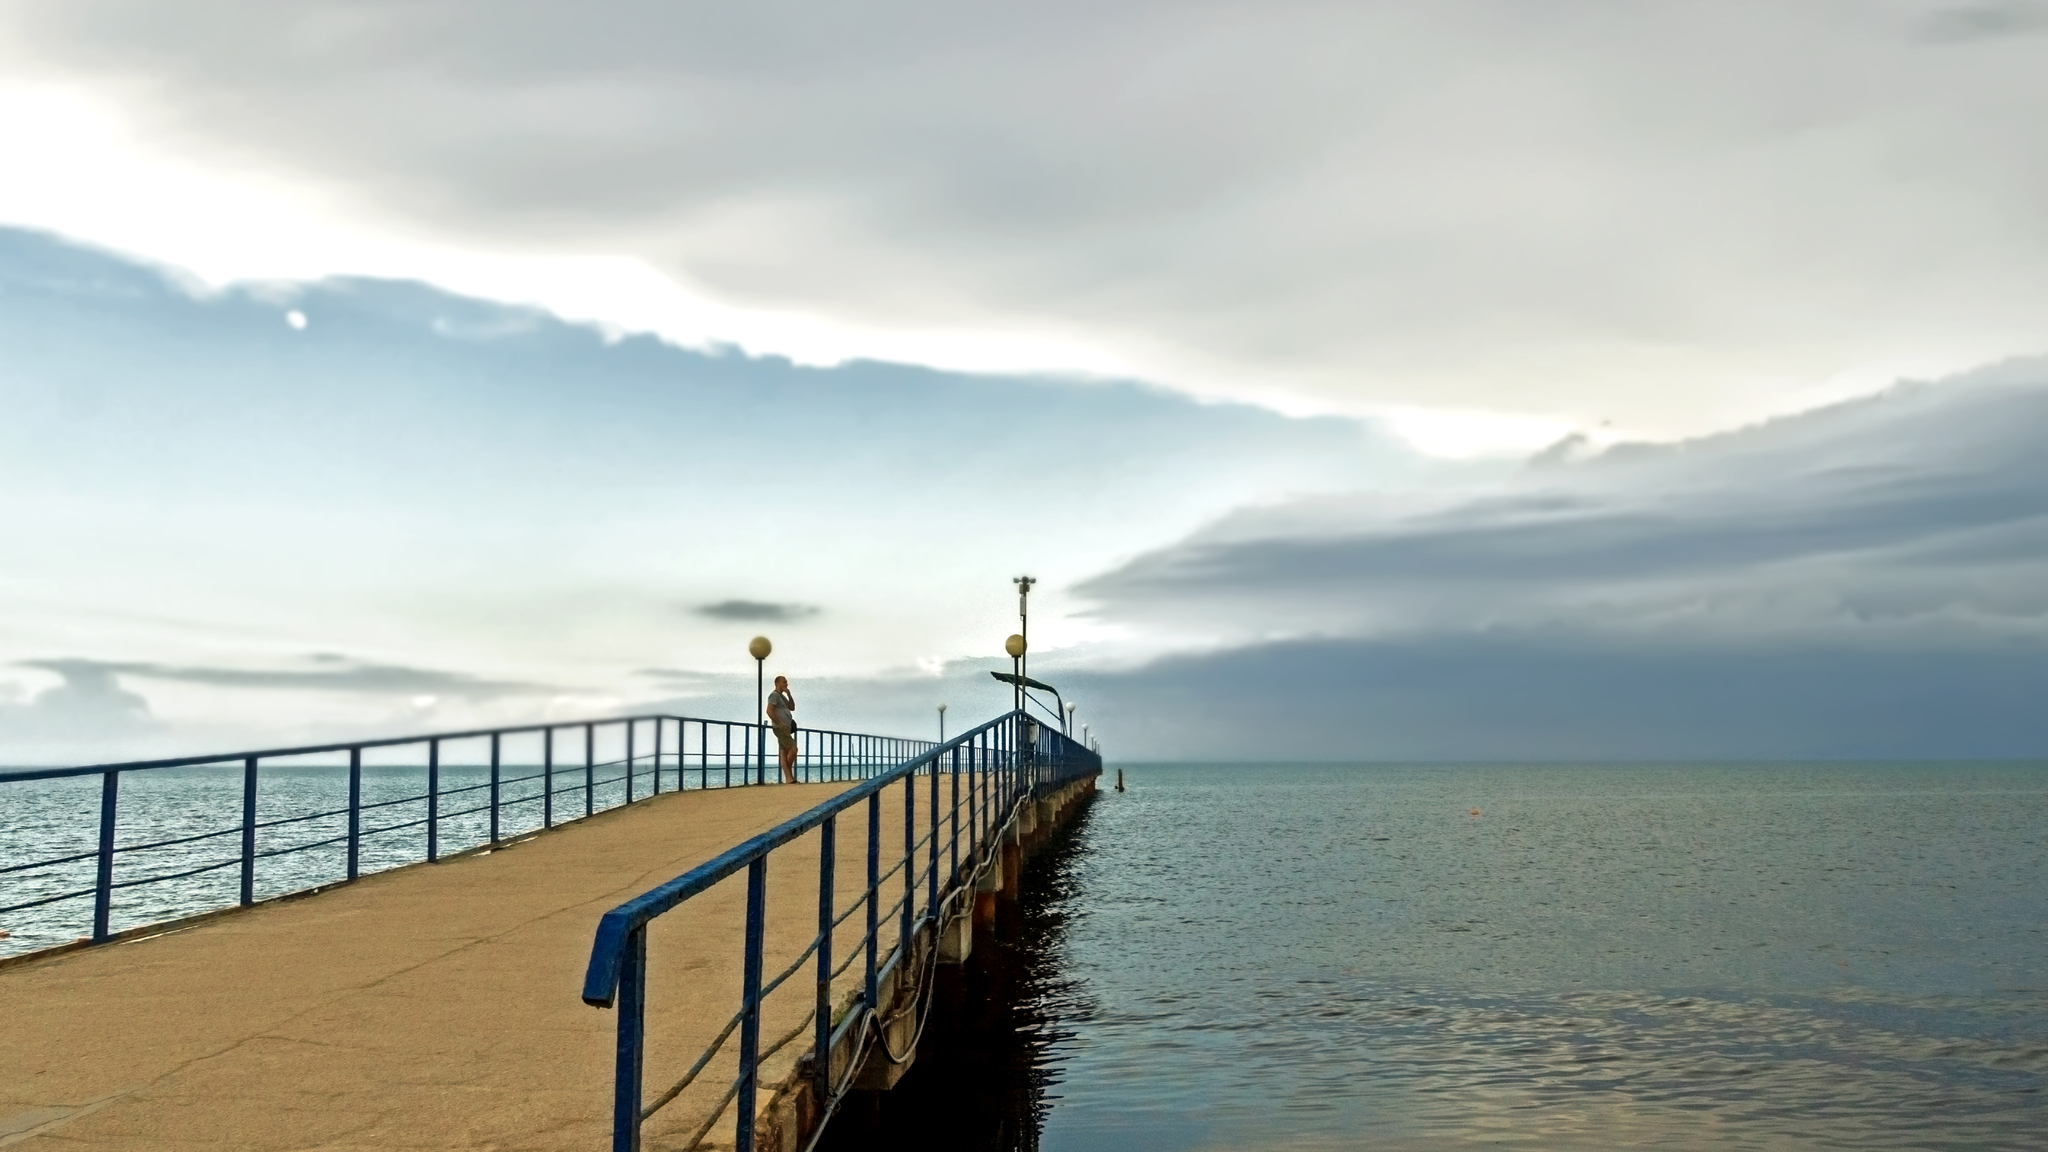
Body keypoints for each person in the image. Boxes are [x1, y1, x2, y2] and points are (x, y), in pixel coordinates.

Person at [766, 675, 798, 783]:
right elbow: (769, 710)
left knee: (784, 752)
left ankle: (789, 778)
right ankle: (788, 776)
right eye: (784, 682)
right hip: (781, 727)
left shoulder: (782, 697)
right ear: (778, 683)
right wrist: (779, 723)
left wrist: (789, 694)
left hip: (786, 727)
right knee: (793, 749)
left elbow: (792, 707)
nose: (786, 684)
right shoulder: (774, 696)